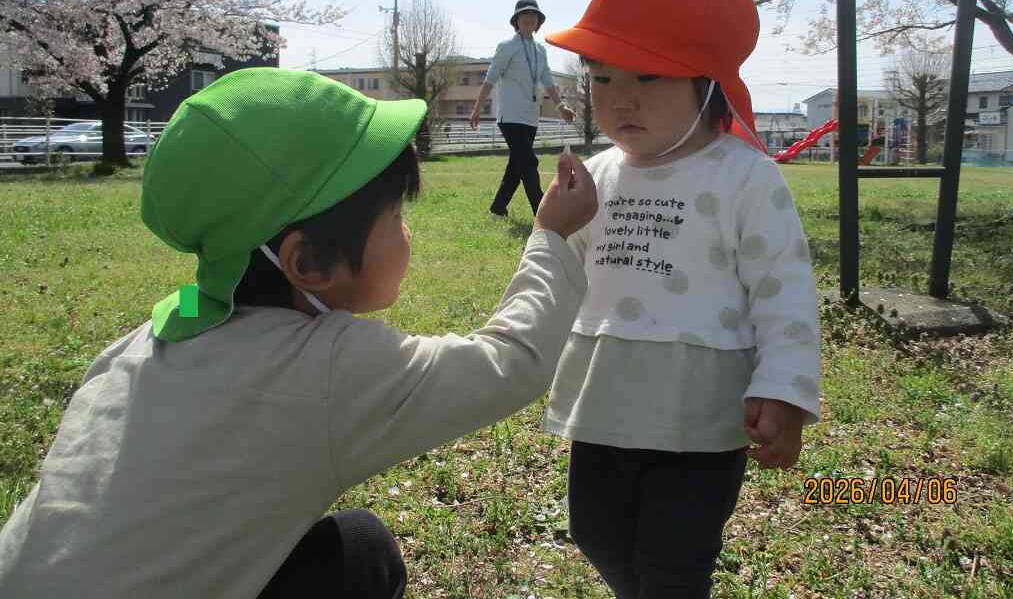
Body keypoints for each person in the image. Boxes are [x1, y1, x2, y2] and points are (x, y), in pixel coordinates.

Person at [0, 68, 598, 599]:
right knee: (363, 554)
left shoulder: (157, 332)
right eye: (396, 215)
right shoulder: (326, 367)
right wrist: (550, 236)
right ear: (306, 263)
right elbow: (511, 361)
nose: (407, 232)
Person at [541, 0, 822, 599]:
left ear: (708, 82)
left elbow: (783, 289)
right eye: (602, 78)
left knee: (676, 559)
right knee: (595, 532)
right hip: (605, 402)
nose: (620, 99)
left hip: (700, 415)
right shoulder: (597, 175)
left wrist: (785, 389)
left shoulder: (744, 176)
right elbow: (561, 273)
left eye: (648, 76)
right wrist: (549, 231)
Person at [470, 0, 576, 217]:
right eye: (524, 15)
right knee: (528, 162)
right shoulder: (507, 47)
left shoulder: (540, 50)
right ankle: (543, 212)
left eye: (533, 15)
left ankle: (498, 208)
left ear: (538, 22)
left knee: (517, 166)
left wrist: (561, 106)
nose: (529, 18)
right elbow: (490, 78)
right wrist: (477, 107)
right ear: (516, 21)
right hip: (510, 117)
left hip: (530, 117)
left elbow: (548, 81)